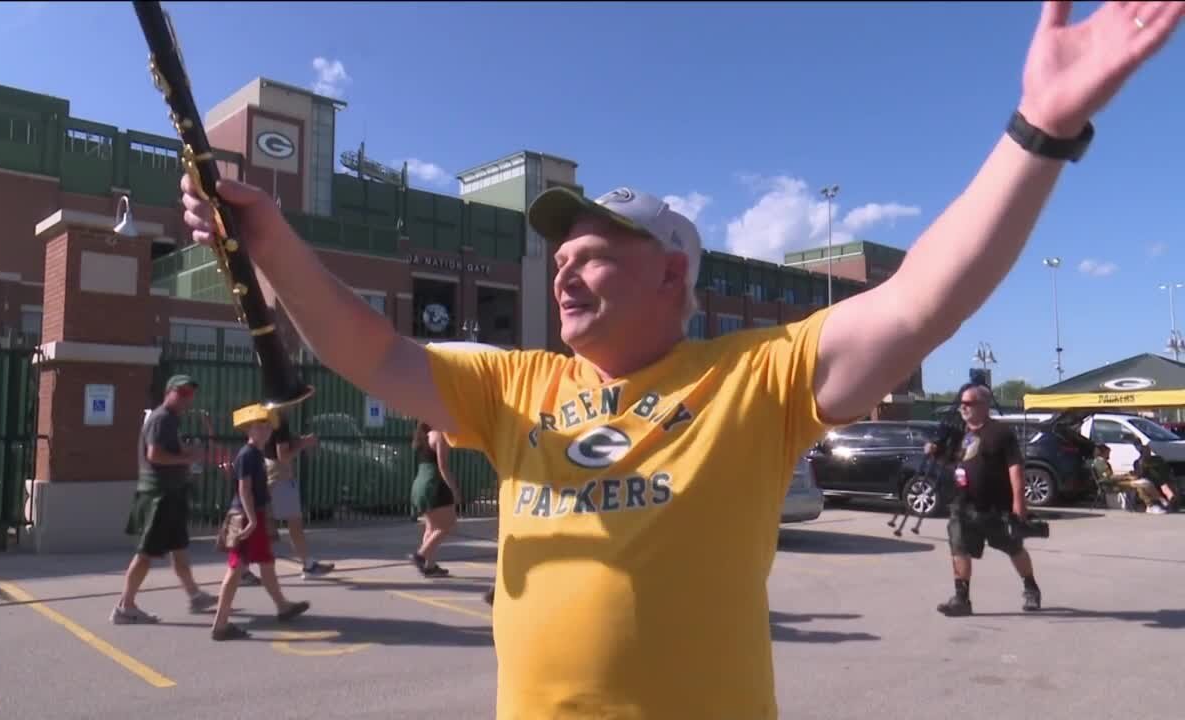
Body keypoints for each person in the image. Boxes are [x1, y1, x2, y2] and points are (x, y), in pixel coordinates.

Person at [179, 4, 1182, 714]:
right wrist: (268, 241)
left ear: (670, 276)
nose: (563, 276)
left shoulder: (755, 379)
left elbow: (923, 298)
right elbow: (366, 345)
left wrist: (1038, 129)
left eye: (591, 257)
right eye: (556, 259)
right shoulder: (517, 386)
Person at [112, 375, 216, 624]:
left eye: (189, 394)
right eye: (181, 392)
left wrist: (190, 451)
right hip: (159, 496)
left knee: (178, 547)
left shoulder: (170, 420)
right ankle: (125, 606)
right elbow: (155, 455)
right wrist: (187, 459)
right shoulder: (162, 419)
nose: (186, 398)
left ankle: (194, 595)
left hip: (171, 494)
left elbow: (171, 451)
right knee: (146, 553)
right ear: (169, 392)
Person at [937, 384, 1042, 617]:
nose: (963, 407)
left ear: (984, 405)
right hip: (963, 504)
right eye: (962, 403)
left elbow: (1015, 466)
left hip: (996, 506)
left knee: (1014, 548)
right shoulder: (959, 433)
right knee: (959, 548)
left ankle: (1030, 586)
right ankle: (961, 599)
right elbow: (951, 463)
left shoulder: (1000, 432)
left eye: (969, 403)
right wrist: (935, 452)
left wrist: (1019, 502)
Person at [209, 403, 311, 641]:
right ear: (248, 430)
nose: (265, 430)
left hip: (254, 515)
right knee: (235, 569)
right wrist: (253, 520)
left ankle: (283, 606)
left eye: (267, 426)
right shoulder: (248, 455)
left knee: (265, 562)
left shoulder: (254, 454)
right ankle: (220, 624)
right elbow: (244, 489)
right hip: (246, 516)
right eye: (259, 426)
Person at [239, 412, 332, 585]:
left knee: (262, 521)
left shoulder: (271, 415)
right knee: (292, 523)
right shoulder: (279, 420)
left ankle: (243, 569)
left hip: (271, 471)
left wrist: (298, 441)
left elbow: (277, 446)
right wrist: (303, 443)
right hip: (280, 475)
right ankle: (308, 565)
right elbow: (283, 455)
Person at [408, 421, 460, 578]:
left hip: (419, 484)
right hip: (434, 485)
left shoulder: (421, 437)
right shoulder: (439, 435)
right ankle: (420, 555)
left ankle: (429, 566)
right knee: (448, 525)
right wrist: (454, 489)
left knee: (431, 528)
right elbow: (442, 466)